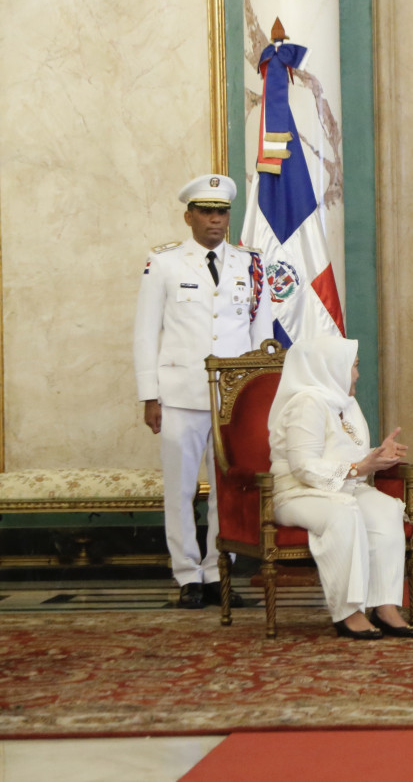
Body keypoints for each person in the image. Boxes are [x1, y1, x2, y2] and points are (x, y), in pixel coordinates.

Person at [134, 174, 273, 609]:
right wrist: (150, 395)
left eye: (222, 212)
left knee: (229, 489)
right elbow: (145, 333)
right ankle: (186, 575)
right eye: (207, 211)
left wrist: (258, 394)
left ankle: (218, 572)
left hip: (233, 399)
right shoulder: (164, 263)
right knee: (179, 490)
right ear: (189, 216)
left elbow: (261, 334)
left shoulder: (250, 264)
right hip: (179, 394)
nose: (215, 219)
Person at [267, 336, 413, 639]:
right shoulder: (306, 403)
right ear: (330, 367)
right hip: (297, 493)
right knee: (344, 511)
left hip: (344, 487)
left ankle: (385, 606)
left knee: (385, 509)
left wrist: (377, 456)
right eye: (353, 366)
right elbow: (303, 466)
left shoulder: (345, 402)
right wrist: (359, 468)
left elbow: (346, 455)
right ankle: (348, 612)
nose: (357, 374)